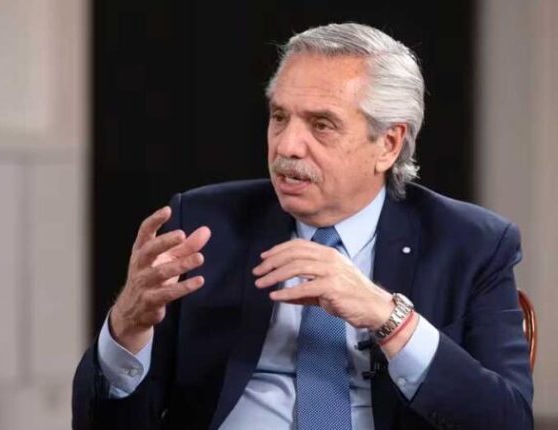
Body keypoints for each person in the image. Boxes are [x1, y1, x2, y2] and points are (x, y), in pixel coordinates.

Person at [72, 23, 533, 430]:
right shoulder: (203, 227)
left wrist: (388, 317)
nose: (287, 145)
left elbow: (507, 420)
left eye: (322, 125)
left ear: (388, 145)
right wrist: (125, 331)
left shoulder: (470, 244)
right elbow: (101, 423)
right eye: (279, 117)